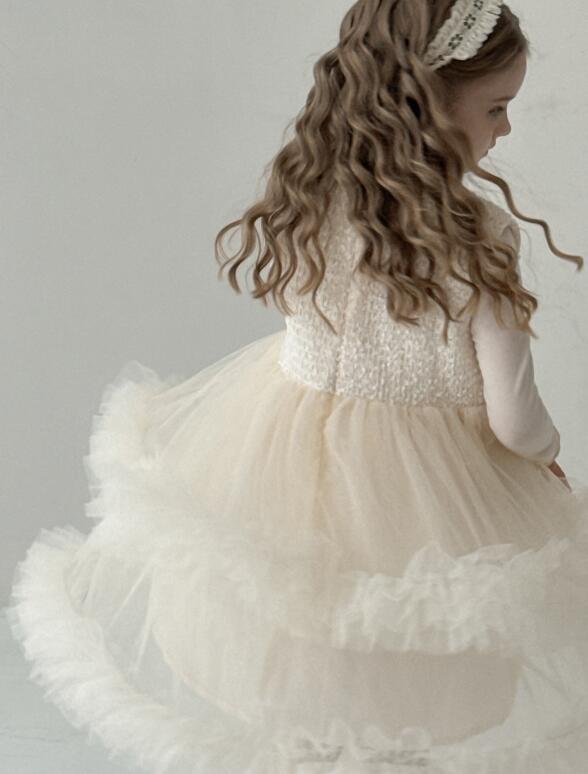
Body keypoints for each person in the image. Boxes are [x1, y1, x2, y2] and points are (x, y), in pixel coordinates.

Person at [6, 1, 588, 772]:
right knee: (421, 655)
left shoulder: (312, 203)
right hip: (437, 496)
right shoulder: (482, 239)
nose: (506, 129)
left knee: (308, 654)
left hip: (287, 460)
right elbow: (514, 420)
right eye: (496, 108)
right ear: (427, 105)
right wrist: (546, 455)